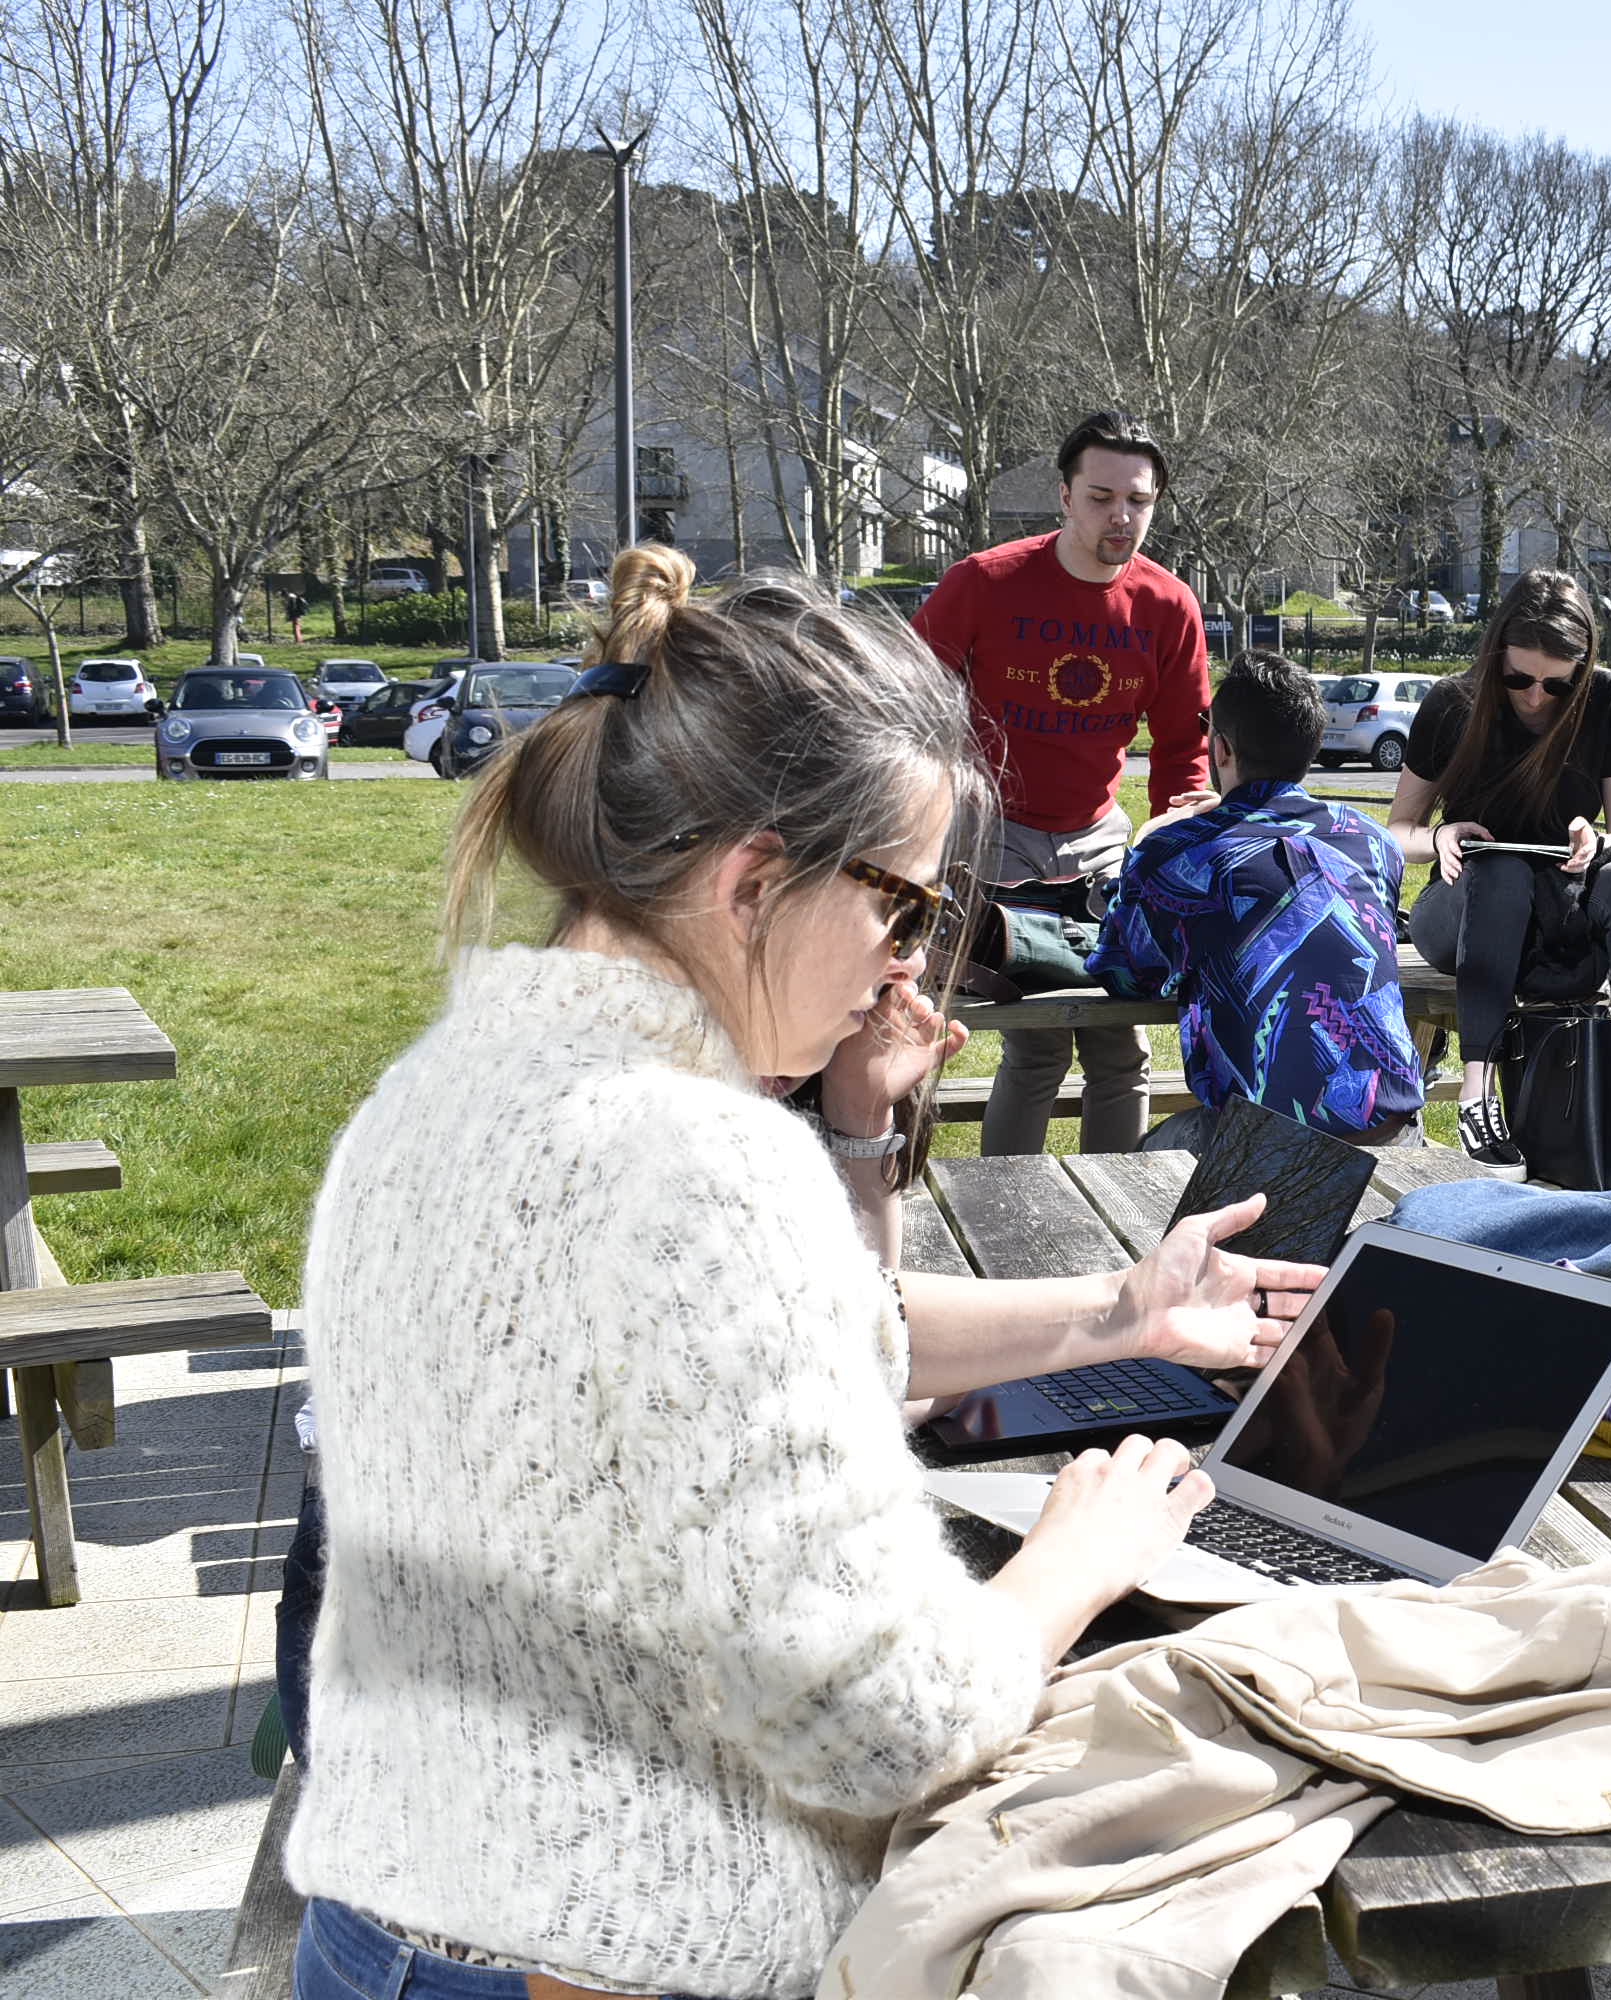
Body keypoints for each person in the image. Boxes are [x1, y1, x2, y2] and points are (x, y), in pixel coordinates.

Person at [286, 544, 1322, 2000]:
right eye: (902, 906)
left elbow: (784, 1348)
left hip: (386, 1925)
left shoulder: (441, 1091)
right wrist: (1073, 1567)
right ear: (755, 881)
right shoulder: (702, 1163)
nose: (907, 970)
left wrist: (1122, 1310)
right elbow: (882, 1719)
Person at [911, 409, 1211, 1155]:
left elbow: (1183, 745)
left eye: (1138, 501)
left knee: (1123, 1044)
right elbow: (905, 697)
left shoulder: (1168, 607)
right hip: (994, 830)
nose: (1121, 516)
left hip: (1103, 837)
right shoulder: (984, 582)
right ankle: (1006, 1215)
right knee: (1035, 1040)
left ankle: (1123, 1212)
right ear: (1065, 496)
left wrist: (1170, 836)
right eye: (1102, 496)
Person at [1088, 648, 1426, 1150]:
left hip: (1256, 1145)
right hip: (1392, 1132)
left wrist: (1153, 837)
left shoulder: (1179, 854)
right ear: (1312, 747)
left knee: (1130, 1180)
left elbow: (1126, 974)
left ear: (1220, 750)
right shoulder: (1373, 841)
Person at [1389, 570, 1611, 1166]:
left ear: (1583, 668)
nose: (1536, 696)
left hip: (1558, 913)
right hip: (1461, 911)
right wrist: (1440, 835)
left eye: (1557, 685)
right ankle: (1476, 1093)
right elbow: (1396, 834)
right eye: (1518, 678)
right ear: (1495, 658)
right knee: (1501, 871)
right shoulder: (1451, 705)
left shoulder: (1608, 701)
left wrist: (1599, 838)